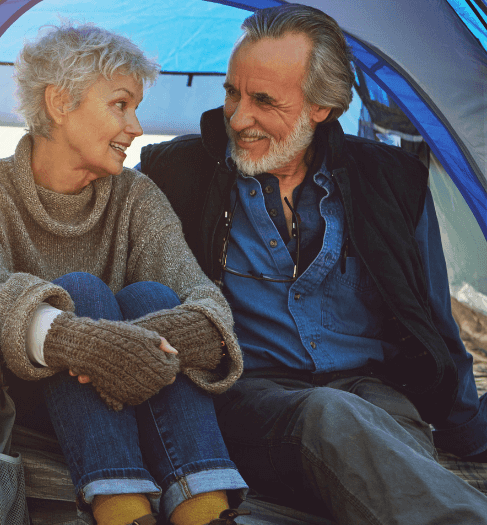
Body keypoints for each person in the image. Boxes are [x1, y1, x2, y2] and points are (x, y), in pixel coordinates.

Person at [137, 4, 487, 524]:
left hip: (374, 395)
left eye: (263, 101)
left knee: (375, 443)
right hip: (246, 399)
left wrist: (465, 430)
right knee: (329, 416)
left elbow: (432, 318)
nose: (238, 118)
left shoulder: (393, 183)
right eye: (232, 93)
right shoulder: (178, 172)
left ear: (321, 106)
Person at [0, 22, 251, 525]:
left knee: (153, 294)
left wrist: (138, 347)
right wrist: (86, 344)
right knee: (78, 290)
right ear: (61, 103)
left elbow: (207, 305)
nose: (138, 128)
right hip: (18, 395)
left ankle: (205, 511)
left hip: (137, 387)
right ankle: (122, 509)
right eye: (121, 105)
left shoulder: (137, 196)